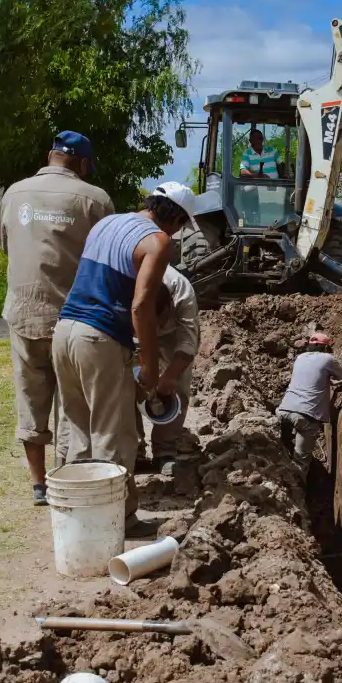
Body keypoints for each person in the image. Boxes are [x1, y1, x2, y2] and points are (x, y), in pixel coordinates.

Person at [53, 191, 191, 519]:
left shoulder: (106, 224)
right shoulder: (158, 241)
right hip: (98, 338)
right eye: (179, 227)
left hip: (65, 330)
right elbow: (141, 306)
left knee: (80, 430)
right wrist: (150, 366)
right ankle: (117, 520)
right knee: (113, 434)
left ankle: (78, 517)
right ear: (175, 218)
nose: (174, 235)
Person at [0, 130, 114, 506]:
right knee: (72, 406)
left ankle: (37, 486)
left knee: (29, 399)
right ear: (81, 163)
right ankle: (68, 480)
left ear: (50, 157)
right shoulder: (94, 200)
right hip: (74, 319)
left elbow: (5, 241)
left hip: (23, 312)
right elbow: (107, 258)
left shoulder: (13, 194)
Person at [134, 184, 201, 470]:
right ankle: (134, 448)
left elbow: (188, 341)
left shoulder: (181, 290)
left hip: (170, 338)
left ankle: (165, 450)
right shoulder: (130, 280)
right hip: (132, 332)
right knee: (127, 387)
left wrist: (170, 376)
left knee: (179, 384)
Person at [276, 332, 342, 460]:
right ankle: (299, 478)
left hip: (284, 409)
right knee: (301, 460)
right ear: (325, 348)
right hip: (306, 416)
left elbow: (307, 378)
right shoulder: (328, 359)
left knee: (282, 450)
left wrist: (327, 380)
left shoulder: (300, 358)